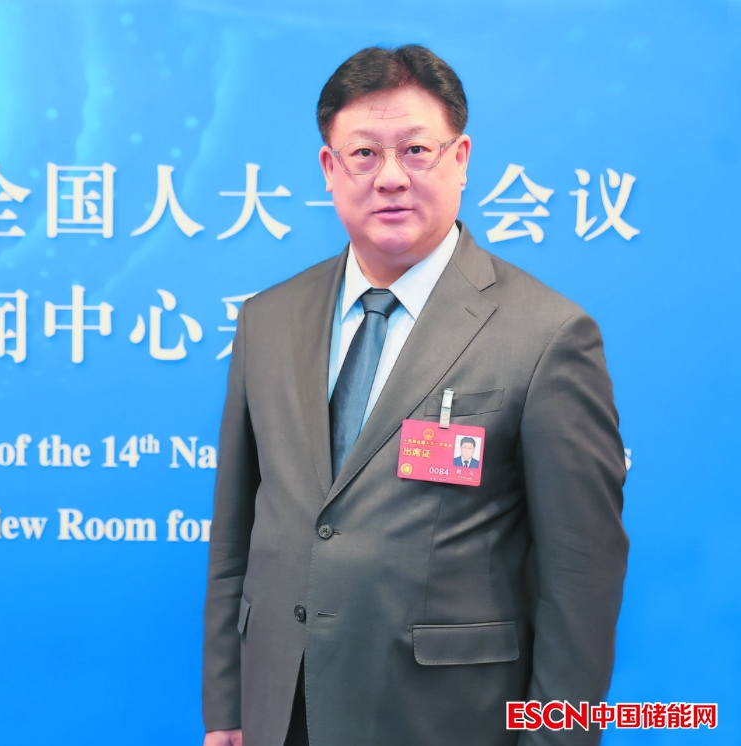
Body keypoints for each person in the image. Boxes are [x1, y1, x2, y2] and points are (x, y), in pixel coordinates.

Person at [201, 45, 627, 746]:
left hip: (449, 718)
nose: (391, 177)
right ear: (329, 169)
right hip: (284, 710)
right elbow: (237, 536)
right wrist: (228, 712)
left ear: (461, 159)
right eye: (364, 154)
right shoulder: (267, 320)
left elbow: (582, 577)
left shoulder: (547, 335)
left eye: (416, 150)